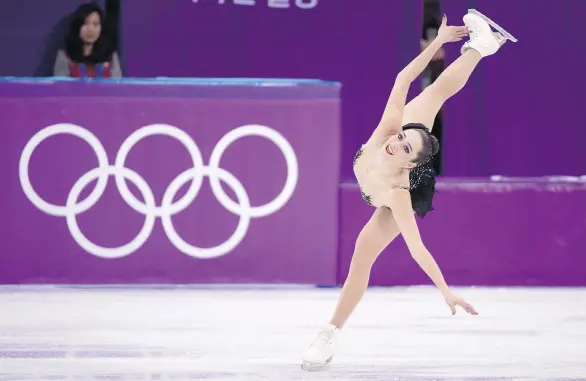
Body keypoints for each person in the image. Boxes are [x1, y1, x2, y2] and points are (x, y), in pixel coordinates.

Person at [301, 10, 516, 371]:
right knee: (433, 94)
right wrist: (438, 42)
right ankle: (482, 46)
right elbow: (403, 78)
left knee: (361, 258)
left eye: (402, 147)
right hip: (416, 146)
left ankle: (330, 332)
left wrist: (446, 291)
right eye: (400, 138)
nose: (394, 144)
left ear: (411, 164)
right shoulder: (389, 132)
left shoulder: (402, 192)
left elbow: (418, 249)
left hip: (393, 190)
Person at [53, 2, 122, 78]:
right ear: (77, 26)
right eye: (85, 23)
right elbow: (61, 87)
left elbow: (117, 86)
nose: (90, 29)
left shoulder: (111, 56)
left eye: (95, 24)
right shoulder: (65, 56)